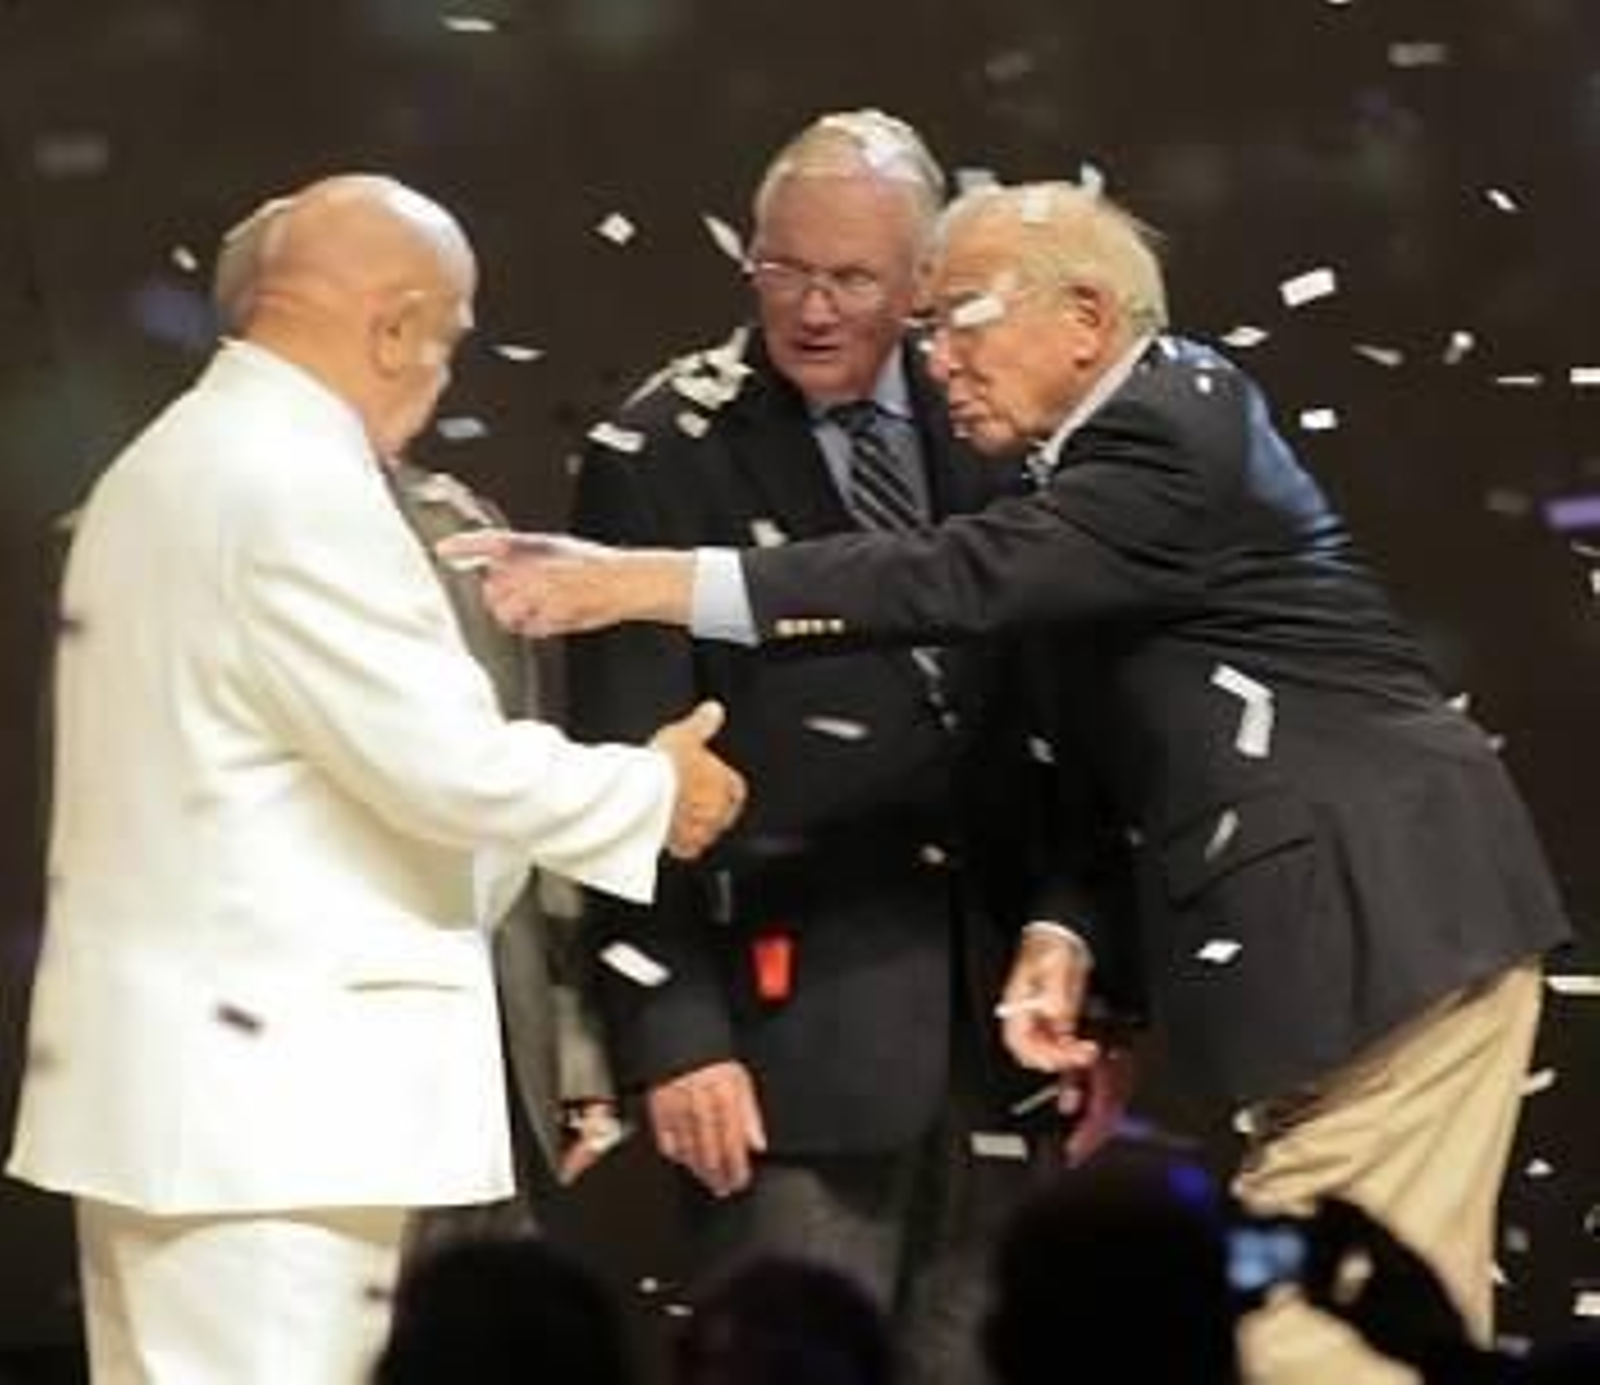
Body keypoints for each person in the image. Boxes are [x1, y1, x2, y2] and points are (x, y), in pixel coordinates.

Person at [447, 179, 1571, 1384]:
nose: (931, 361)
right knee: (1361, 1320)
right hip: (1364, 936)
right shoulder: (1093, 466)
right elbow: (1091, 734)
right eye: (924, 328)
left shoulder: (1165, 425)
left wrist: (643, 581)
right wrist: (1067, 935)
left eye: (956, 319)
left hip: (1383, 921)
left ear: (1083, 316)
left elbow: (949, 576)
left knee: (1317, 1341)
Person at [5, 174, 745, 1385]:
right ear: (395, 323)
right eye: (446, 343)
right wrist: (652, 791)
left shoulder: (173, 462)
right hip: (276, 1126)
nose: (443, 377)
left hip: (204, 1115)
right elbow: (444, 760)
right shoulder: (292, 483)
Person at [556, 112, 1120, 1385]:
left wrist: (1092, 961)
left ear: (922, 282)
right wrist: (675, 1028)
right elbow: (616, 767)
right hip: (781, 1051)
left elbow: (1065, 727)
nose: (810, 308)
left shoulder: (998, 418)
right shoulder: (656, 451)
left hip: (1001, 1040)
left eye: (854, 279)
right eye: (781, 269)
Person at [213, 210, 619, 1250]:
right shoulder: (181, 528)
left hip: (483, 1063)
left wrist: (570, 1042)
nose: (440, 367)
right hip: (298, 1088)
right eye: (436, 331)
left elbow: (519, 773)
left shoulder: (451, 529)